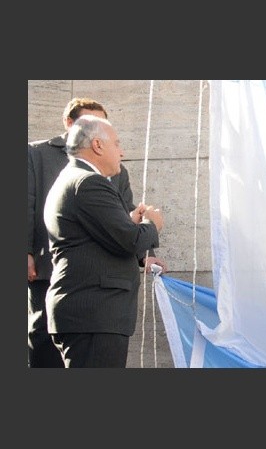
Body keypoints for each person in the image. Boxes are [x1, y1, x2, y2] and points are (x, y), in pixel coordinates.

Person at [28, 97, 166, 368]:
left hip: (89, 315)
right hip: (92, 315)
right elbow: (129, 239)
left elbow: (101, 230)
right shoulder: (88, 182)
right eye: (117, 144)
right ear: (97, 145)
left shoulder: (78, 178)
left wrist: (127, 221)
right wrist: (152, 223)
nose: (122, 152)